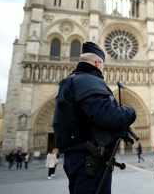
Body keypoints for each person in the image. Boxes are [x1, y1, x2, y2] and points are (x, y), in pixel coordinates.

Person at [52, 42, 136, 193]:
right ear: (98, 63)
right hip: (90, 159)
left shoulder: (68, 81)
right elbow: (106, 116)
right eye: (103, 65)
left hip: (75, 157)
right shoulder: (88, 80)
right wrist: (129, 112)